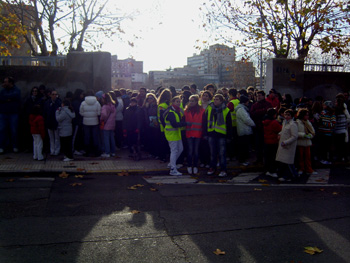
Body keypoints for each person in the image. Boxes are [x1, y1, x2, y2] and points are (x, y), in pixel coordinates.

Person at [204, 94, 232, 177]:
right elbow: (205, 121)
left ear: (221, 101)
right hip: (211, 133)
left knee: (222, 153)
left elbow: (229, 124)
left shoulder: (226, 110)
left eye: (217, 99)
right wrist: (205, 133)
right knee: (212, 153)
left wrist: (229, 136)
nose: (215, 101)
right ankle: (212, 167)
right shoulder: (209, 108)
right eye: (214, 99)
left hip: (221, 134)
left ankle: (223, 169)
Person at [164, 96, 187, 176]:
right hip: (172, 134)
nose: (178, 103)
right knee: (174, 151)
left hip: (176, 134)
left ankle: (171, 164)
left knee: (180, 149)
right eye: (177, 101)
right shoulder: (171, 112)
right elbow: (174, 124)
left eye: (179, 101)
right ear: (173, 102)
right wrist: (185, 124)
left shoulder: (176, 111)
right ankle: (173, 169)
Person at [184, 95, 205, 175]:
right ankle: (189, 165)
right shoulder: (186, 111)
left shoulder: (202, 111)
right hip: (189, 133)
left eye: (193, 101)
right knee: (190, 151)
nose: (191, 102)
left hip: (197, 133)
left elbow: (203, 123)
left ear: (196, 102)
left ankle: (195, 165)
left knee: (195, 151)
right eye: (190, 101)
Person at [276, 109, 298, 182]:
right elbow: (284, 130)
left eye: (288, 115)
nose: (286, 116)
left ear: (292, 116)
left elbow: (294, 136)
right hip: (283, 145)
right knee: (285, 162)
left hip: (288, 146)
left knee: (287, 162)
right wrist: (280, 133)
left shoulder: (293, 124)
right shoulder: (285, 123)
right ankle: (291, 175)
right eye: (285, 114)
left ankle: (288, 176)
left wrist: (286, 142)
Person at [0, 77, 21, 153]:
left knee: (14, 130)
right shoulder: (2, 91)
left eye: (6, 82)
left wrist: (6, 99)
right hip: (3, 113)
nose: (4, 83)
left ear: (10, 83)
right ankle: (2, 146)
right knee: (2, 130)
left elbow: (16, 96)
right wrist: (8, 99)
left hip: (13, 113)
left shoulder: (16, 90)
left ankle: (15, 146)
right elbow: (1, 97)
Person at [250, 90, 272, 164]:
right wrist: (262, 111)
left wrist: (257, 112)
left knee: (265, 145)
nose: (258, 97)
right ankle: (259, 159)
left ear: (263, 96)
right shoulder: (254, 105)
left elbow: (268, 112)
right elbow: (252, 113)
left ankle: (265, 159)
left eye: (259, 95)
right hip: (257, 127)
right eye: (257, 96)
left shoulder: (267, 104)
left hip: (266, 127)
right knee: (258, 145)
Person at [79, 89, 101, 157]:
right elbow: (99, 112)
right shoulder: (97, 103)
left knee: (87, 137)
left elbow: (81, 112)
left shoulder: (83, 103)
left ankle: (87, 151)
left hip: (86, 122)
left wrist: (86, 115)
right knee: (95, 136)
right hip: (95, 122)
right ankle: (96, 152)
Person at [295, 108, 317, 176]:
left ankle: (308, 169)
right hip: (300, 142)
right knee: (300, 157)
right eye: (306, 115)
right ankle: (301, 168)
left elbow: (312, 131)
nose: (307, 117)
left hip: (307, 142)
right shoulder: (297, 122)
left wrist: (310, 135)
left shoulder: (308, 122)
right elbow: (295, 133)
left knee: (308, 157)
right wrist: (303, 135)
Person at [236, 95, 256, 166]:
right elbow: (246, 119)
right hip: (244, 130)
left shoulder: (240, 108)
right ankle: (242, 160)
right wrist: (253, 124)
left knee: (243, 147)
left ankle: (243, 160)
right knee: (244, 147)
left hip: (242, 130)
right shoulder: (241, 109)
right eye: (247, 102)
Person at [263, 108, 281, 177]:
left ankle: (267, 170)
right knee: (273, 157)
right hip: (273, 140)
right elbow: (279, 129)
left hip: (266, 140)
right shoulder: (274, 122)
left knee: (267, 157)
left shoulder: (265, 121)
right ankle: (272, 170)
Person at [43, 89, 61, 155]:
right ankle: (52, 150)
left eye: (55, 94)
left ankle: (57, 150)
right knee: (51, 138)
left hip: (56, 122)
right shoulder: (47, 102)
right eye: (53, 94)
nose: (54, 96)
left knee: (57, 138)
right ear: (50, 95)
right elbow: (45, 112)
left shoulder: (59, 102)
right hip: (49, 122)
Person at [142, 93, 158, 157]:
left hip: (154, 123)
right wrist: (145, 107)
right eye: (148, 98)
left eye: (151, 98)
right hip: (147, 124)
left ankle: (154, 152)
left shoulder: (156, 106)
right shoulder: (146, 106)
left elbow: (154, 114)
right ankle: (150, 152)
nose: (149, 99)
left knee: (154, 139)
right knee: (149, 138)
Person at [100, 93, 117, 158]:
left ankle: (107, 152)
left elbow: (104, 115)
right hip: (112, 124)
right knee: (112, 138)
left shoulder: (105, 106)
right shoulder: (113, 105)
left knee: (106, 139)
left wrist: (102, 119)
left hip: (106, 124)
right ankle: (113, 152)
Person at [157, 89, 172, 162]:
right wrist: (165, 125)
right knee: (163, 143)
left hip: (163, 127)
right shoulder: (163, 105)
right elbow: (162, 117)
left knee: (163, 143)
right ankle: (162, 157)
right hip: (163, 127)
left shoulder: (163, 104)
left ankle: (163, 156)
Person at [227, 88, 240, 161]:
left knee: (231, 142)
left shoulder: (231, 103)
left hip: (232, 124)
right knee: (236, 141)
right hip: (238, 124)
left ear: (230, 94)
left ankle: (232, 155)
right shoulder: (238, 101)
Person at [333, 97, 348, 162]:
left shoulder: (336, 112)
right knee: (343, 146)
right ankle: (344, 157)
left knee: (338, 146)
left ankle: (339, 158)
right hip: (343, 131)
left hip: (337, 131)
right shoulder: (343, 112)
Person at [71, 88, 85, 155]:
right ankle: (74, 149)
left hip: (79, 121)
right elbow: (78, 111)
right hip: (77, 121)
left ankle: (78, 148)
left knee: (79, 135)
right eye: (82, 94)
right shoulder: (76, 102)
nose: (83, 95)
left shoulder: (78, 101)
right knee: (76, 136)